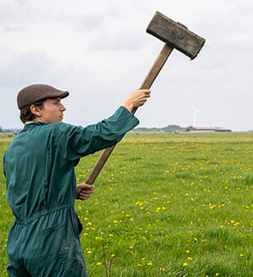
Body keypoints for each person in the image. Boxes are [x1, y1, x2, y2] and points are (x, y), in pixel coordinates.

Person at [3, 84, 151, 277]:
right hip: (51, 242)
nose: (63, 108)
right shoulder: (54, 133)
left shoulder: (13, 147)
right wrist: (128, 105)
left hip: (18, 242)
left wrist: (70, 191)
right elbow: (100, 134)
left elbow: (28, 189)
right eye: (56, 103)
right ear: (35, 110)